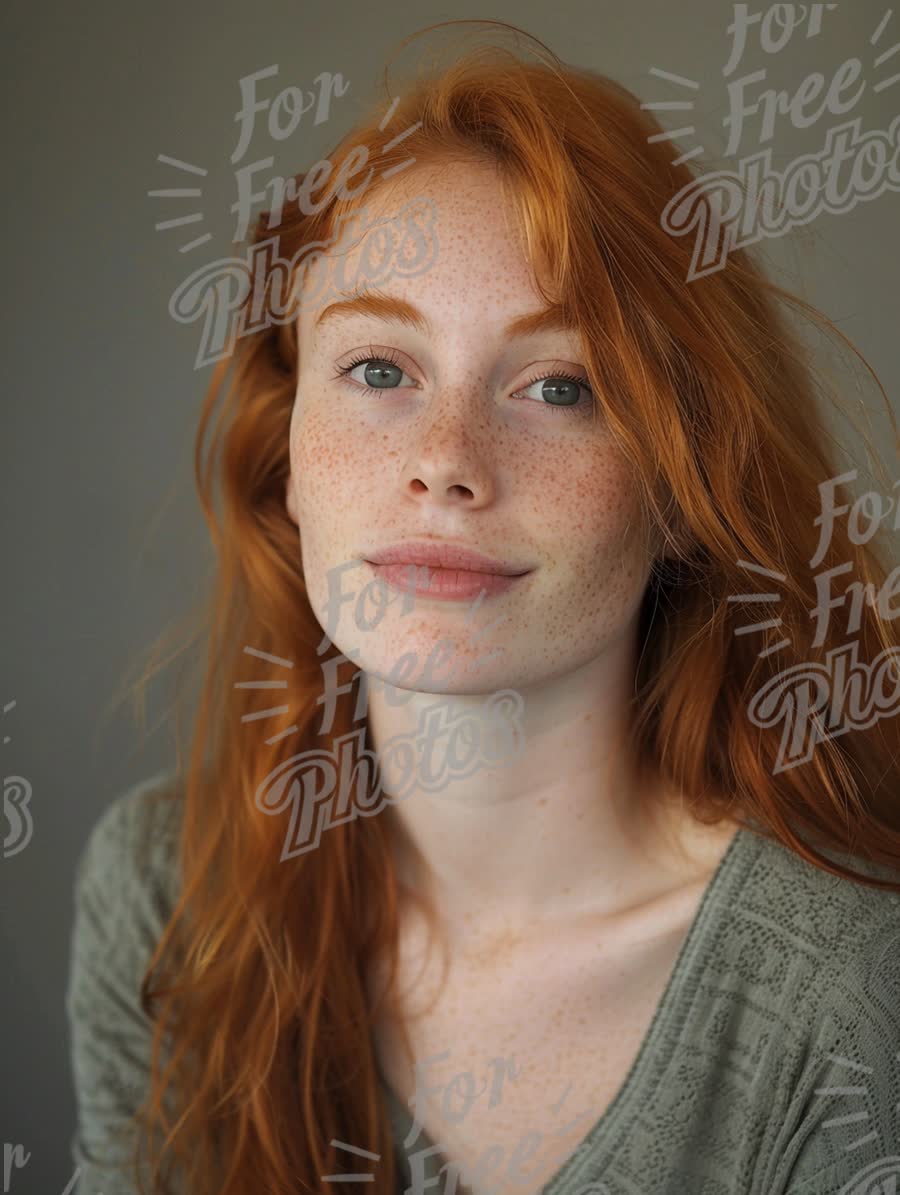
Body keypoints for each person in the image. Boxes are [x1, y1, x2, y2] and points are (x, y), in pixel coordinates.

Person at [66, 20, 900, 1195]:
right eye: (378, 370)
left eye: (560, 386)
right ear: (287, 455)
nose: (447, 462)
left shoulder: (852, 991)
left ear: (679, 484)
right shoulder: (166, 891)